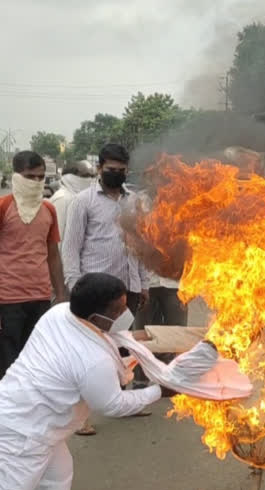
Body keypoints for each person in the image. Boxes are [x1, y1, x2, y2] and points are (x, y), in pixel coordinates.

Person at [0, 273, 162, 490]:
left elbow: (106, 338)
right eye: (118, 310)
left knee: (58, 475)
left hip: (19, 411)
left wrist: (142, 341)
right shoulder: (93, 362)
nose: (125, 313)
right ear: (96, 316)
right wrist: (159, 391)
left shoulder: (61, 313)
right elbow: (113, 404)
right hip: (25, 436)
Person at [61, 143, 150, 435]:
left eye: (122, 170)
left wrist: (143, 283)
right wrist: (76, 287)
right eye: (112, 169)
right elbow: (71, 248)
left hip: (128, 289)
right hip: (95, 294)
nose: (117, 174)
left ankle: (124, 402)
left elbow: (139, 245)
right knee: (87, 353)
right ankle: (79, 416)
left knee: (123, 349)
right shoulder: (82, 202)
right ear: (99, 168)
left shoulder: (133, 201)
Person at [0, 151, 68, 379]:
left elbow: (53, 256)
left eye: (41, 177)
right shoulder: (3, 207)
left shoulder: (48, 210)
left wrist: (61, 295)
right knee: (8, 363)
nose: (37, 182)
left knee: (36, 362)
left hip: (39, 298)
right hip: (7, 300)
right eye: (30, 177)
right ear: (16, 176)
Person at [50, 160, 95, 240]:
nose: (90, 179)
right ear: (70, 177)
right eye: (86, 175)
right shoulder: (62, 199)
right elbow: (57, 236)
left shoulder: (85, 198)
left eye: (92, 176)